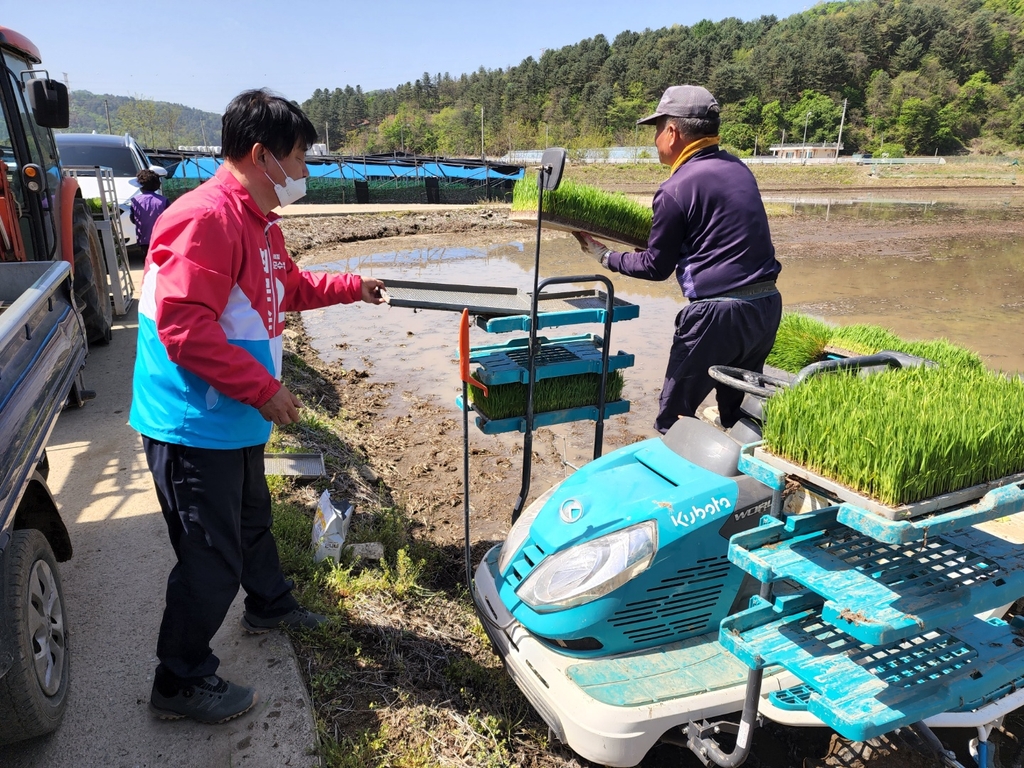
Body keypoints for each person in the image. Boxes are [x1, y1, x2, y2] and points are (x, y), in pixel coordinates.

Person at [129, 88, 386, 724]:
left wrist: (354, 286)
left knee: (251, 519)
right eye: (298, 158)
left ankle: (271, 604)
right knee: (208, 557)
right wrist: (266, 390)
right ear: (260, 154)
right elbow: (185, 328)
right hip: (194, 423)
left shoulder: (259, 223)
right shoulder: (206, 219)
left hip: (232, 416)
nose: (304, 172)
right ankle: (179, 679)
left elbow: (289, 289)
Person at [574, 85, 782, 434]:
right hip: (765, 306)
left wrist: (605, 256)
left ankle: (677, 482)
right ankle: (740, 482)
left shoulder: (676, 187)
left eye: (657, 129)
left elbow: (656, 268)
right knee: (739, 410)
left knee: (674, 417)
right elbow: (715, 236)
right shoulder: (738, 168)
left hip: (717, 317)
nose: (655, 139)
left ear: (672, 132)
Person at [129, 168, 169, 258]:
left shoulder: (135, 201)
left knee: (148, 263)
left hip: (143, 239)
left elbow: (133, 219)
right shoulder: (164, 200)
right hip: (161, 238)